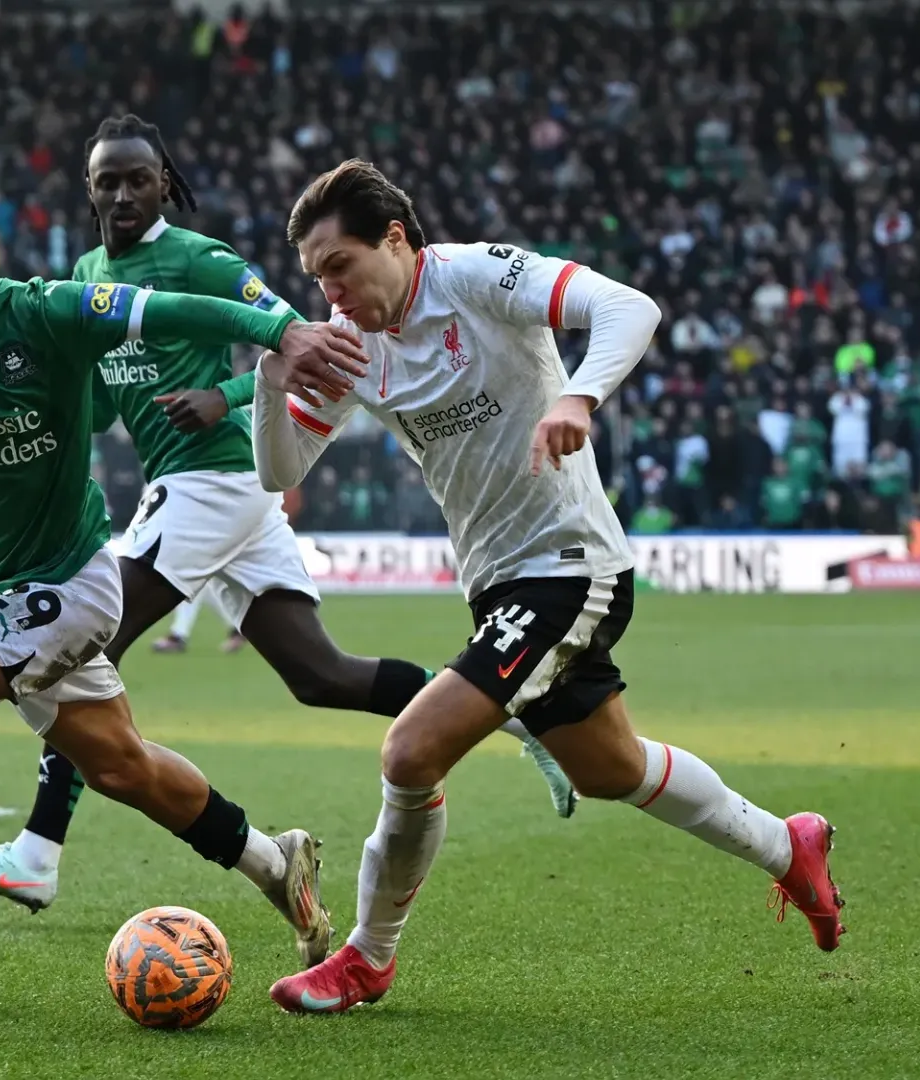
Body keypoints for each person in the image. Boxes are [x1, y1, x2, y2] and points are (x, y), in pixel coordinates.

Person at [0, 117, 575, 914]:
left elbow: (299, 343)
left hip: (220, 476)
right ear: (90, 187)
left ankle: (36, 852)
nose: (123, 193)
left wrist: (227, 395)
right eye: (108, 180)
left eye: (139, 178)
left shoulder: (199, 258)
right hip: (202, 490)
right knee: (319, 673)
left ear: (165, 182)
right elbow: (101, 398)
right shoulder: (88, 272)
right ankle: (516, 712)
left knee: (85, 637)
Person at [253, 161, 846, 1013]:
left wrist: (579, 395)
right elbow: (279, 468)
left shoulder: (472, 275)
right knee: (612, 768)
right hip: (499, 584)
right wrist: (274, 383)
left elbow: (628, 308)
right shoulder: (350, 348)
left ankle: (365, 958)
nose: (330, 293)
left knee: (410, 751)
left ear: (395, 239)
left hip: (571, 567)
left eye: (339, 265)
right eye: (315, 278)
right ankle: (791, 848)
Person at [0, 174, 369, 980]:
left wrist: (282, 331)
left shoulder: (50, 312)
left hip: (70, 584)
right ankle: (275, 864)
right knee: (121, 767)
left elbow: (179, 310)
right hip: (3, 596)